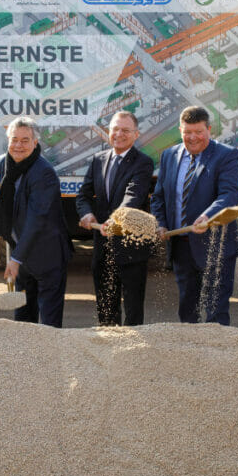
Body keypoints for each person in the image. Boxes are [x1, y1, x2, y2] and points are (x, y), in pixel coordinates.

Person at [150, 106, 238, 325]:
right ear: (180, 131)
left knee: (216, 314)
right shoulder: (170, 156)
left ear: (209, 129)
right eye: (187, 132)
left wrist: (207, 216)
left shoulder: (227, 155)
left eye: (199, 132)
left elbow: (229, 195)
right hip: (182, 247)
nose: (193, 138)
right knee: (187, 310)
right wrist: (160, 224)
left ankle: (216, 358)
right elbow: (159, 197)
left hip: (215, 245)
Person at [0, 116, 73, 327]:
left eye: (25, 140)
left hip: (48, 255)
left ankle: (50, 359)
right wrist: (16, 251)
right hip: (23, 252)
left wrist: (16, 259)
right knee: (23, 320)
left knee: (48, 323)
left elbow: (37, 220)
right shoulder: (4, 162)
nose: (18, 145)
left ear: (35, 143)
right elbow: (10, 205)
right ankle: (26, 359)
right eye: (14, 139)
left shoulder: (43, 172)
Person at [76, 111, 155, 326]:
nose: (119, 134)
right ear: (108, 132)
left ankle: (133, 353)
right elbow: (84, 194)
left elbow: (134, 195)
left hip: (131, 248)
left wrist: (116, 218)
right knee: (106, 308)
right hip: (103, 248)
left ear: (136, 134)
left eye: (125, 130)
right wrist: (86, 213)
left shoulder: (143, 163)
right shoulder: (98, 160)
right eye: (115, 129)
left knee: (132, 310)